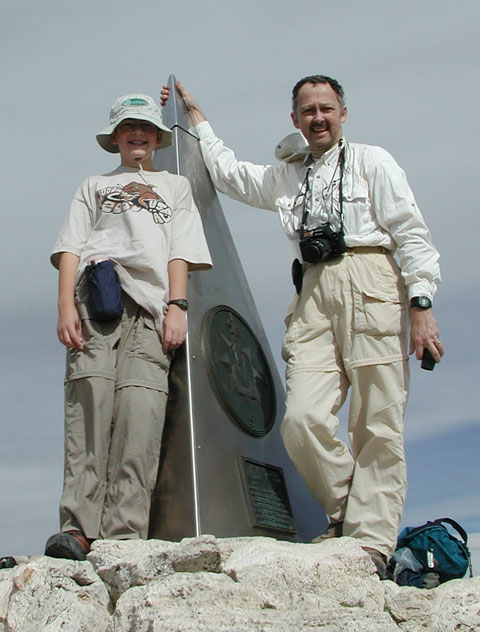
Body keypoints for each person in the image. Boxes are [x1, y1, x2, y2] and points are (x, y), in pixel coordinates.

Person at [161, 76, 444, 577]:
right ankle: (346, 509)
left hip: (371, 277)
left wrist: (421, 302)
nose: (318, 117)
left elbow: (411, 232)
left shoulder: (373, 162)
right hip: (312, 291)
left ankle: (370, 541)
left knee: (377, 420)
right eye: (308, 110)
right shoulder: (288, 176)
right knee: (300, 421)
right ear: (295, 120)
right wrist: (195, 120)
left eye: (327, 108)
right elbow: (229, 174)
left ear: (343, 113)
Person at [45, 93, 212, 560]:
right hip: (97, 296)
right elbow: (71, 247)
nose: (136, 134)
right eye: (127, 128)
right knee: (90, 404)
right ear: (114, 137)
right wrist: (64, 306)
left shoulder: (175, 187)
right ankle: (78, 527)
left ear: (157, 137)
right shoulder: (95, 184)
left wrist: (177, 305)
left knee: (142, 413)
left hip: (152, 306)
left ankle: (124, 534)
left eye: (145, 127)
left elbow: (180, 248)